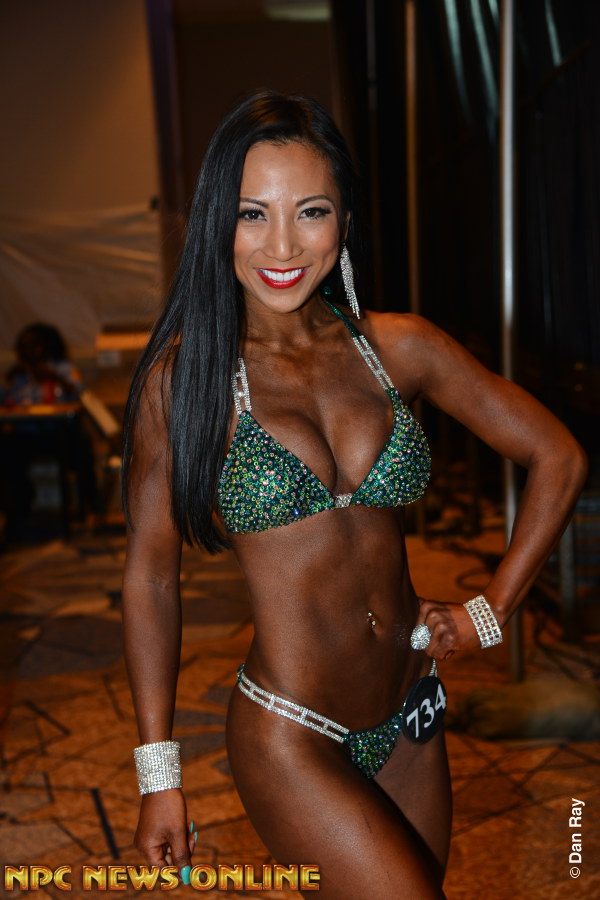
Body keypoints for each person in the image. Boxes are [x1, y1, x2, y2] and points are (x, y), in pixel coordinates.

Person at [121, 91, 587, 898]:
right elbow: (151, 577)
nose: (282, 245)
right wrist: (159, 775)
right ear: (217, 224)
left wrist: (491, 610)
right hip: (290, 730)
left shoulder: (398, 348)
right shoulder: (187, 380)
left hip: (410, 712)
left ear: (343, 220)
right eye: (252, 214)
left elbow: (558, 455)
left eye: (311, 211)